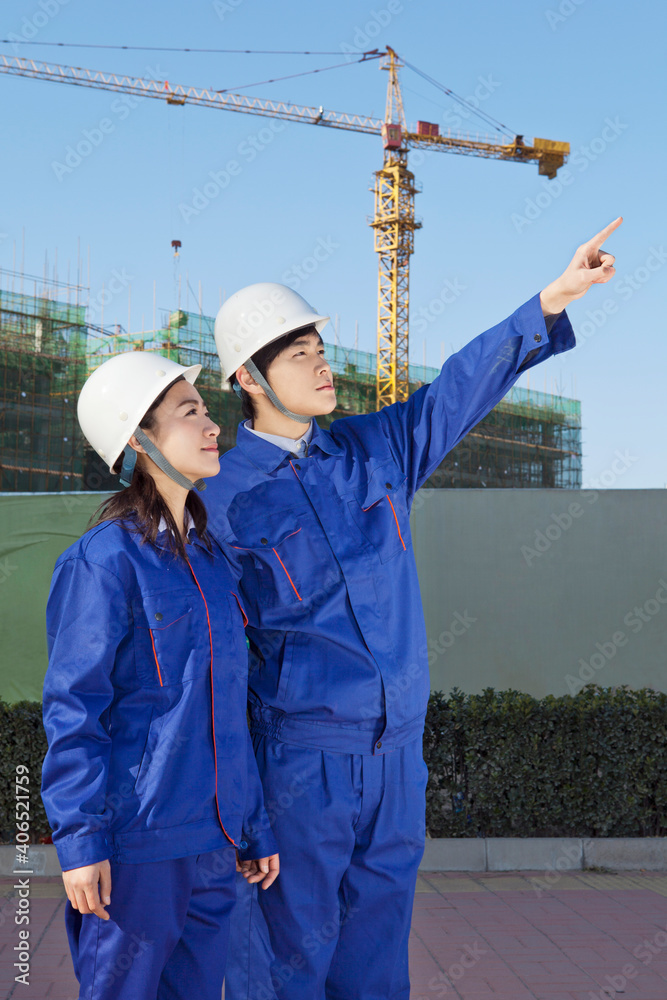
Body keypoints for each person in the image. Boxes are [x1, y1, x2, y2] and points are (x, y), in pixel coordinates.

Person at [205, 218, 622, 1000]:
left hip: (396, 758)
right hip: (299, 765)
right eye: (299, 355)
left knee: (375, 964)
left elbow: (461, 386)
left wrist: (552, 299)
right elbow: (219, 671)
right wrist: (239, 810)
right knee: (287, 962)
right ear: (248, 380)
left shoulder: (373, 450)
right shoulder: (221, 501)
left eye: (321, 349)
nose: (322, 365)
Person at [40, 351, 279, 1000]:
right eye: (188, 412)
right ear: (140, 438)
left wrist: (252, 824)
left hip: (214, 843)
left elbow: (227, 708)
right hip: (137, 846)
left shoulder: (212, 561)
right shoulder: (103, 561)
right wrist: (82, 840)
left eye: (205, 410)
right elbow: (74, 708)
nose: (211, 425)